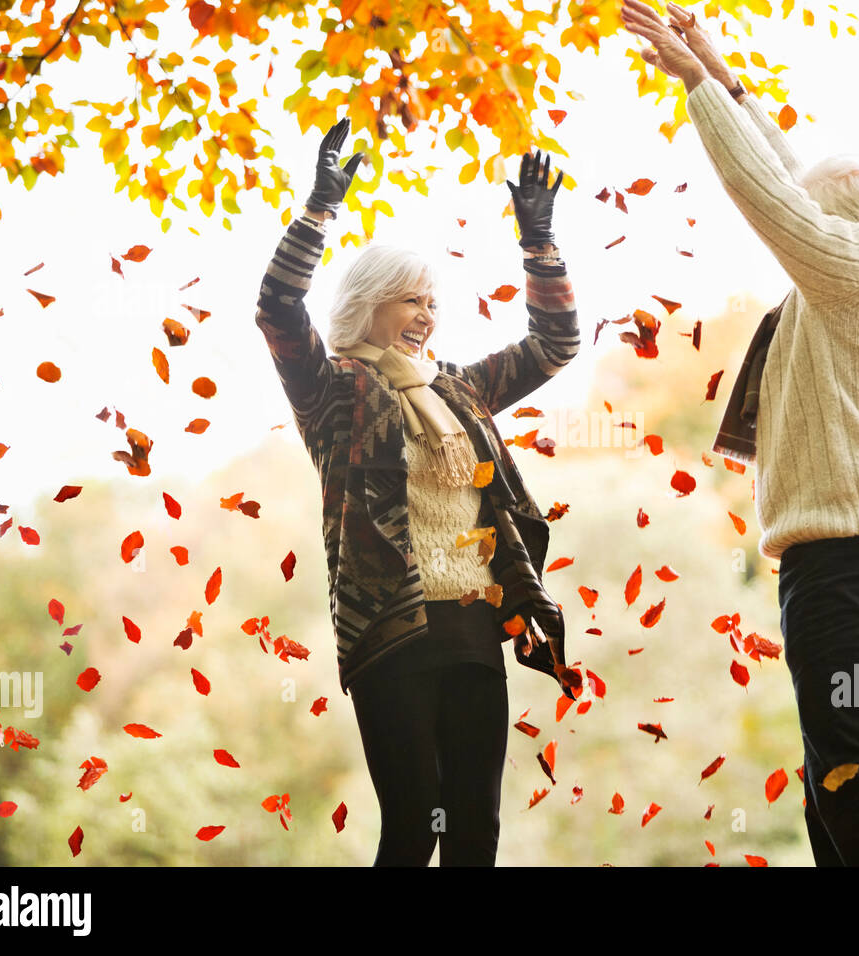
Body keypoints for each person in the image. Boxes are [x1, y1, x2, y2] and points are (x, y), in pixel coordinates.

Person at [622, 0, 859, 866]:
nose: (803, 236)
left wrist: (697, 87)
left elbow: (771, 196)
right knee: (832, 794)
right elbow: (799, 177)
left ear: (839, 229)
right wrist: (725, 74)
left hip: (849, 566)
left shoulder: (852, 276)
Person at [254, 117, 582, 866]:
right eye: (409, 301)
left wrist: (540, 245)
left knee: (475, 836)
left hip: (475, 627)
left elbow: (555, 346)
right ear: (369, 305)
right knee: (414, 829)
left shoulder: (459, 390)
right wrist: (318, 211)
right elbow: (277, 309)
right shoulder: (333, 390)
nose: (426, 316)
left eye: (431, 302)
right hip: (390, 631)